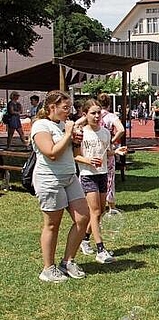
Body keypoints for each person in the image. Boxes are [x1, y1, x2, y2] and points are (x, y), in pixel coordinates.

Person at [30, 91, 90, 283]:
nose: (68, 111)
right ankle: (48, 268)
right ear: (51, 108)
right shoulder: (40, 126)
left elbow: (68, 151)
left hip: (69, 177)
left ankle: (68, 261)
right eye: (65, 108)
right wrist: (67, 134)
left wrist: (74, 142)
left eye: (69, 107)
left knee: (83, 218)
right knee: (52, 224)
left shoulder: (63, 125)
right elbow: (51, 153)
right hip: (50, 179)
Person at [74, 99, 126, 264]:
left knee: (100, 211)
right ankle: (101, 250)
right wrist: (89, 161)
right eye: (93, 113)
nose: (97, 116)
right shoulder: (81, 132)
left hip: (103, 174)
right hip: (87, 175)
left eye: (98, 113)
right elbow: (75, 155)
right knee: (95, 211)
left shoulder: (105, 132)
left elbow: (107, 152)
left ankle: (85, 238)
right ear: (85, 115)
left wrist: (116, 151)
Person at [96, 93, 125, 213]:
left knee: (95, 175)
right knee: (109, 177)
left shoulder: (94, 115)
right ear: (109, 103)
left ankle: (96, 203)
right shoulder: (111, 116)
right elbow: (121, 129)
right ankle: (111, 205)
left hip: (95, 148)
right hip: (108, 148)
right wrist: (112, 141)